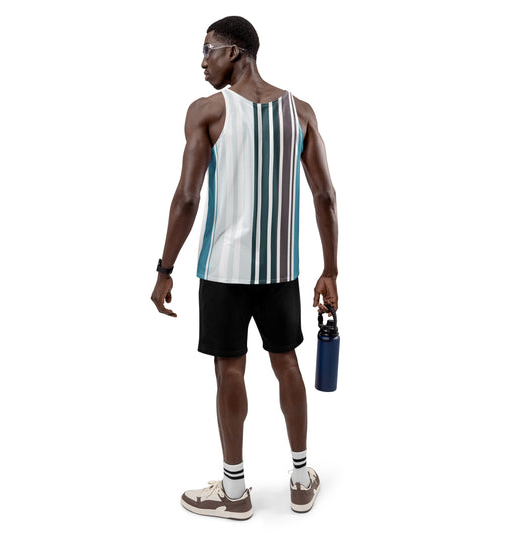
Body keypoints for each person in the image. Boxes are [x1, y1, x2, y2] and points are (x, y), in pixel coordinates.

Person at [151, 16, 338, 520]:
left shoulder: (207, 111)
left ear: (234, 51)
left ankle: (235, 493)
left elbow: (187, 197)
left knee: (229, 370)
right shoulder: (300, 112)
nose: (202, 62)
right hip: (280, 269)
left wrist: (165, 268)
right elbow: (324, 195)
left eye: (208, 50)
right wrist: (330, 271)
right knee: (287, 363)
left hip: (222, 270)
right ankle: (300, 480)